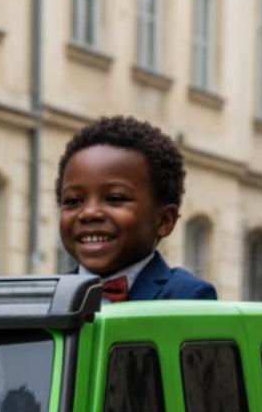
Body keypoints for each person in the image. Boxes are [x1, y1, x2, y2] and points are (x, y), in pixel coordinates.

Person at [56, 116, 217, 302]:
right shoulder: (50, 295)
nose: (89, 213)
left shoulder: (187, 297)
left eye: (115, 198)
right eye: (73, 201)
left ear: (164, 221)